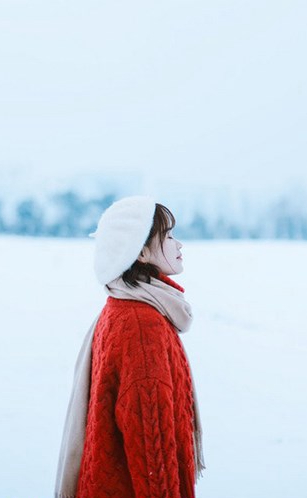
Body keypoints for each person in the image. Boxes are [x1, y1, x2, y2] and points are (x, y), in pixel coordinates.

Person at [53, 195, 206, 498]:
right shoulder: (141, 326)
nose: (179, 245)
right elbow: (153, 454)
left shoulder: (120, 306)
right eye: (169, 236)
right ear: (141, 253)